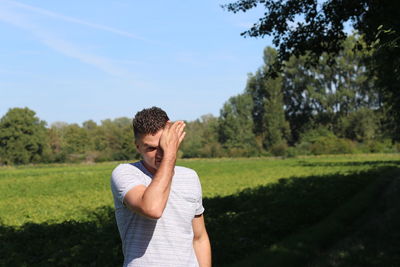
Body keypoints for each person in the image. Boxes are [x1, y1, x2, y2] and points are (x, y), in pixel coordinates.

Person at [111, 107, 211, 267]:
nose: (160, 153)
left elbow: (199, 238)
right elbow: (153, 208)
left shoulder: (190, 177)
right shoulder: (125, 173)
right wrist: (171, 154)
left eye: (164, 144)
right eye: (151, 148)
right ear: (137, 146)